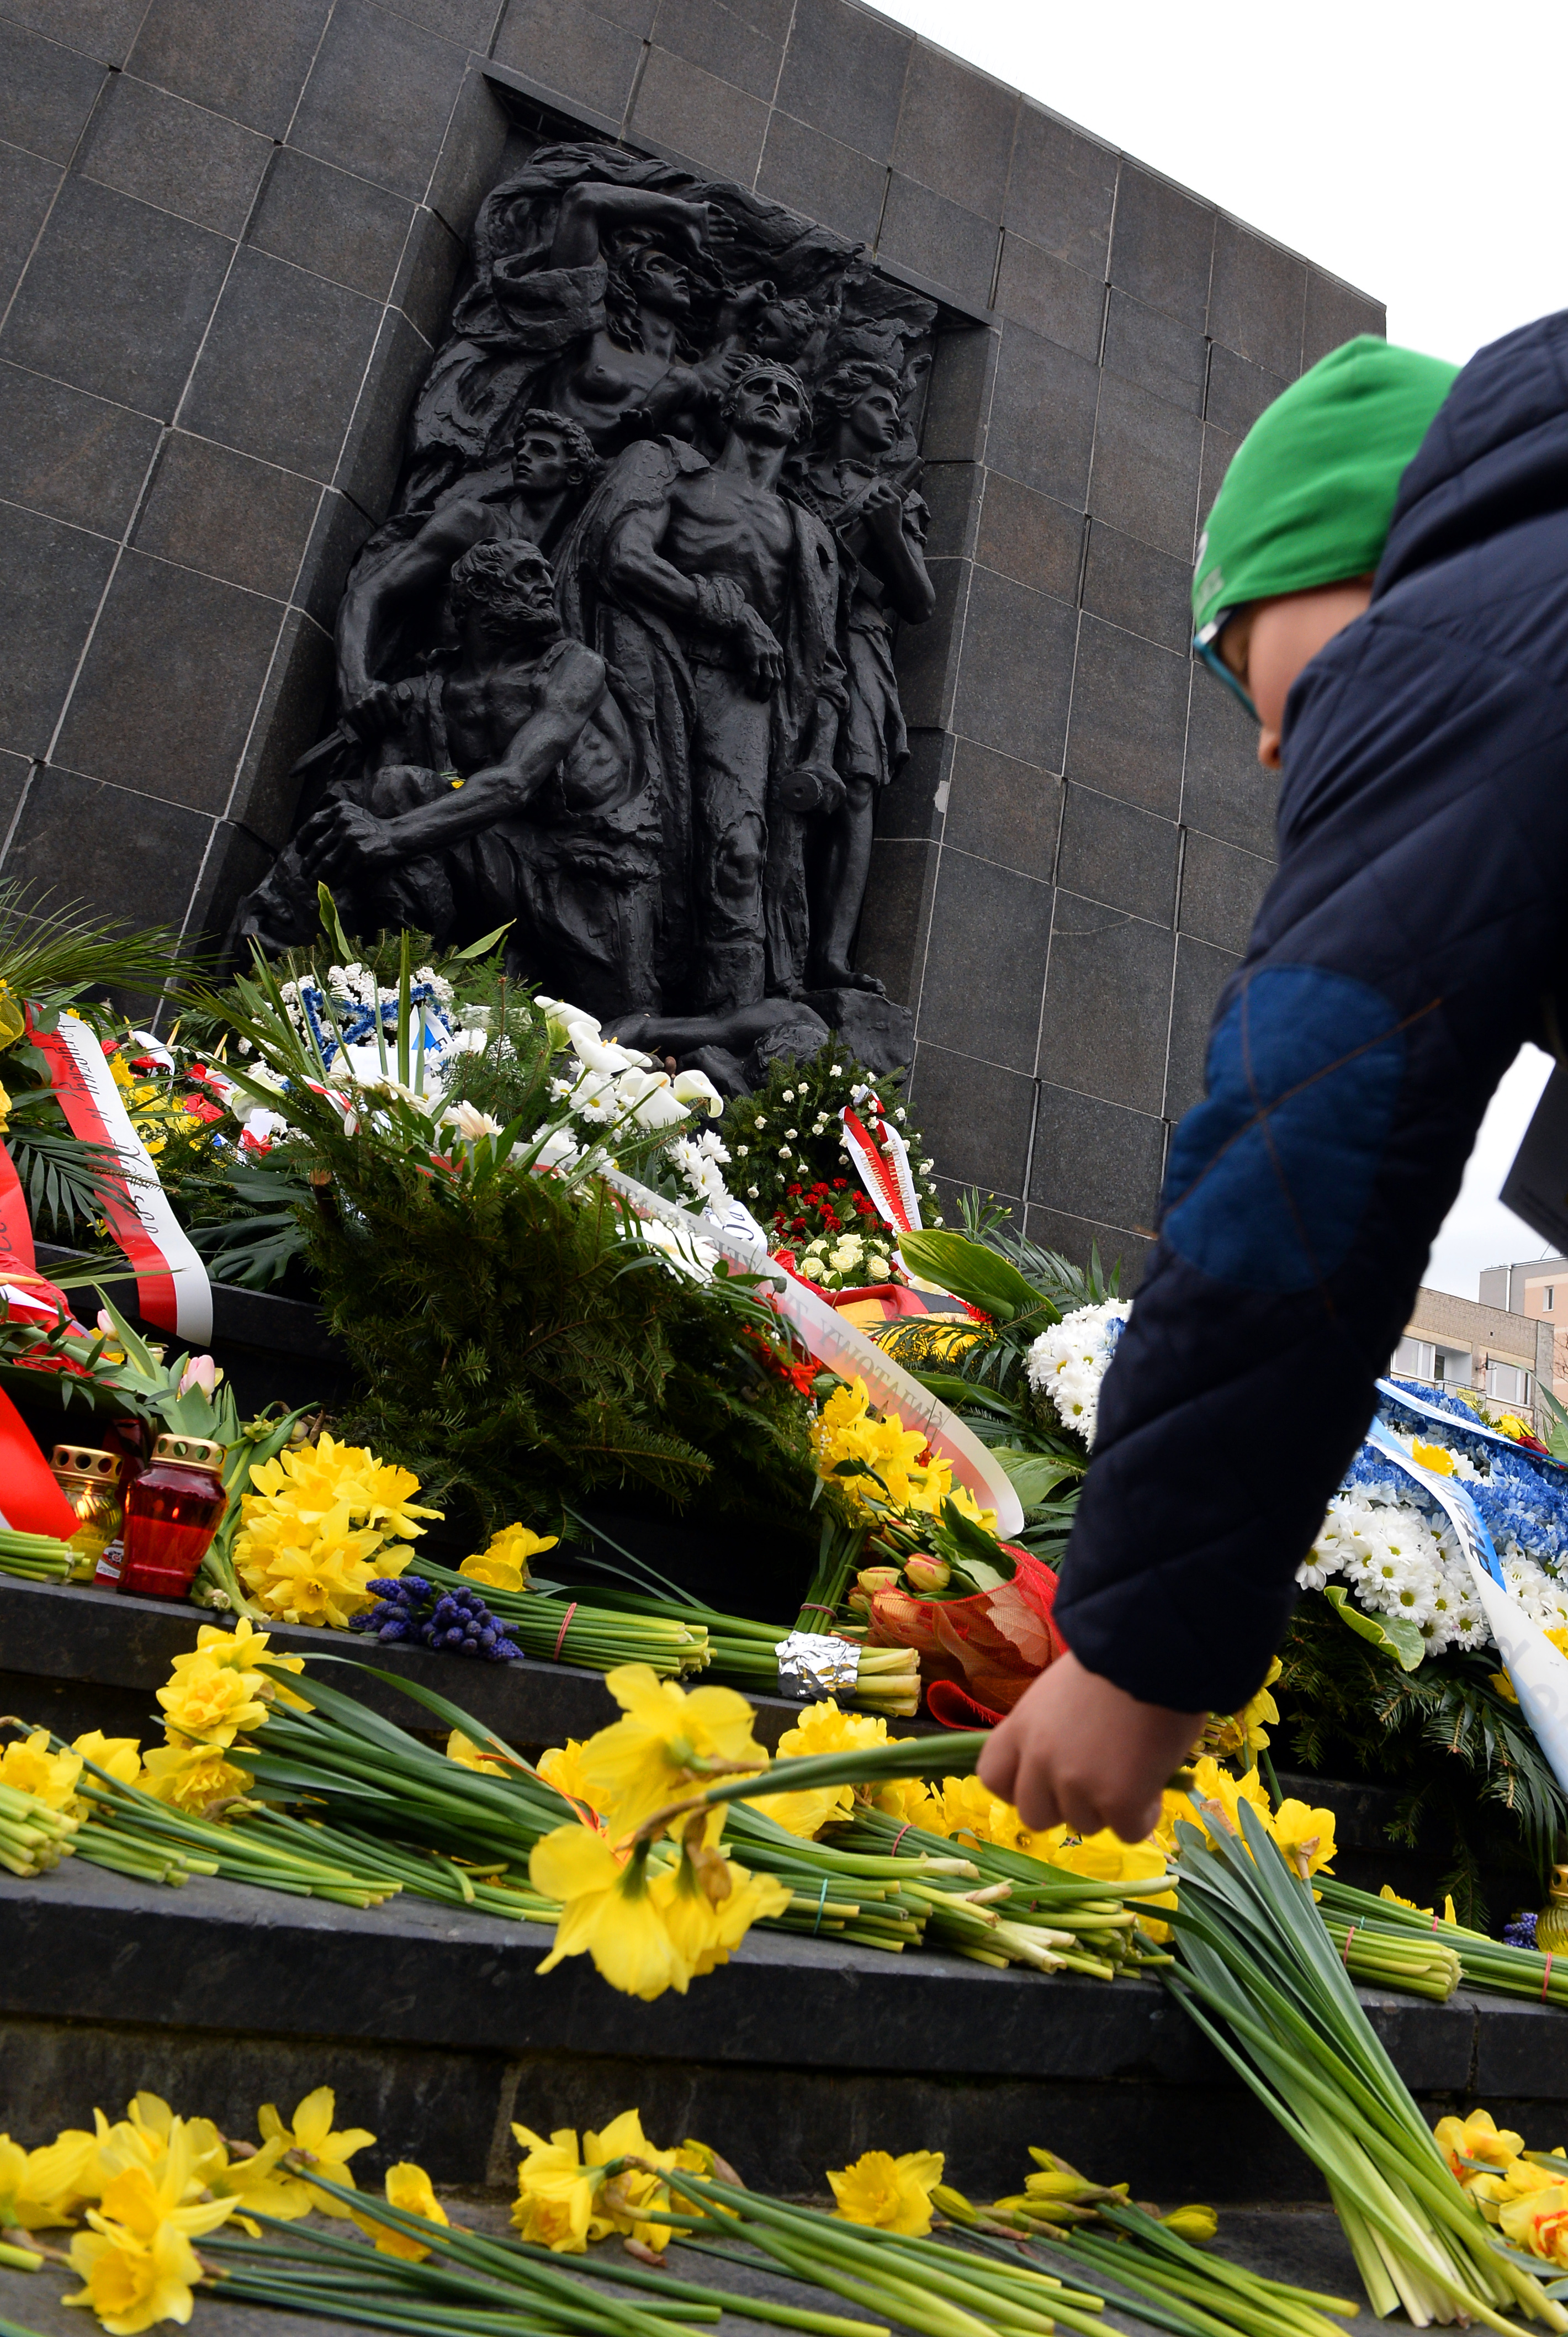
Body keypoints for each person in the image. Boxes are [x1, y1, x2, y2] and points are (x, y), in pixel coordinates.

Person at [972, 318, 1568, 1842]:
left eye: (1241, 655)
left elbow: (1307, 1125)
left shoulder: (1454, 638)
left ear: (1359, 562)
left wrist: (1138, 1645)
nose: (1258, 745)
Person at [245, 541, 660, 1014]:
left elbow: (514, 782)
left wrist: (390, 836)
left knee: (631, 1020)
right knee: (392, 789)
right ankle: (391, 989)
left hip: (588, 876)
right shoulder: (435, 690)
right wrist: (377, 712)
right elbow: (431, 783)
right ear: (479, 589)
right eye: (528, 573)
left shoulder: (574, 666)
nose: (547, 584)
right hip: (497, 854)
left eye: (547, 573)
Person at [559, 358, 845, 1013]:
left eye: (787, 395)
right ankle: (624, 1002)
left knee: (739, 852)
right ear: (727, 406)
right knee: (632, 831)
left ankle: (730, 1022)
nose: (772, 398)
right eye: (758, 388)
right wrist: (730, 612)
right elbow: (621, 556)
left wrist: (821, 754)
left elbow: (822, 661)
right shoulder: (667, 467)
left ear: (800, 427)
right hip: (647, 663)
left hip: (746, 693)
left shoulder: (806, 531)